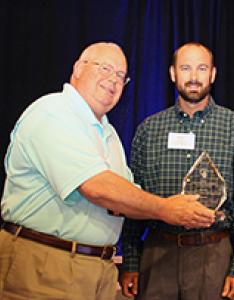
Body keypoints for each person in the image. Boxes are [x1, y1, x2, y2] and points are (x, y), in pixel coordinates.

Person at [0, 42, 216, 300]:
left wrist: (159, 204)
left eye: (120, 76)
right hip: (45, 265)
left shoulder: (107, 132)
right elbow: (98, 188)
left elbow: (123, 196)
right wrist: (166, 208)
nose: (112, 80)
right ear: (78, 68)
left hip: (96, 268)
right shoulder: (53, 112)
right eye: (105, 68)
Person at [120, 42, 234, 300]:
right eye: (185, 68)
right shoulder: (148, 130)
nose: (194, 77)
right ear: (173, 73)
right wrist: (131, 262)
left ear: (213, 74)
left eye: (202, 68)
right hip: (156, 253)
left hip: (214, 254)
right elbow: (134, 199)